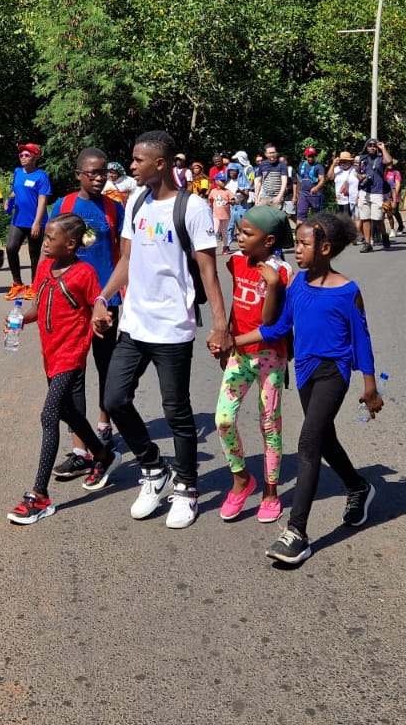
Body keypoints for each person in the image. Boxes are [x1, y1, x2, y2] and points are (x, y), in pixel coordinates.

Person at [224, 213, 382, 567]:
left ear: (325, 248)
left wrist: (370, 388)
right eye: (297, 242)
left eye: (304, 244)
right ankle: (358, 486)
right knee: (324, 439)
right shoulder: (296, 286)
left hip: (333, 374)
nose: (297, 249)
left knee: (308, 442)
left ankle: (297, 532)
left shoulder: (348, 291)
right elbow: (277, 328)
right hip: (307, 371)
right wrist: (234, 341)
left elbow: (363, 340)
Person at [92, 130, 228, 529]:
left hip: (173, 327)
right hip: (134, 323)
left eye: (138, 160)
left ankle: (187, 488)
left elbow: (209, 272)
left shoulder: (193, 208)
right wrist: (103, 298)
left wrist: (221, 327)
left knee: (176, 412)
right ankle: (154, 470)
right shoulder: (135, 201)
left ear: (161, 164)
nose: (131, 166)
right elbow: (127, 261)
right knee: (115, 400)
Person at [6, 214, 118, 525]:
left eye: (49, 239)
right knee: (68, 411)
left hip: (71, 354)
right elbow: (39, 306)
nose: (44, 243)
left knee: (50, 413)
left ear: (69, 245)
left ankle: (39, 495)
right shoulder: (44, 267)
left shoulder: (84, 273)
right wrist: (20, 320)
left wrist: (100, 317)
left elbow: (97, 304)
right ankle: (104, 455)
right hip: (50, 353)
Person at [47, 148, 125, 480]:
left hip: (105, 302)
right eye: (91, 172)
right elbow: (47, 252)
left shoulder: (115, 208)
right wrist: (41, 290)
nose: (98, 178)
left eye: (103, 172)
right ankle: (80, 449)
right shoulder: (63, 206)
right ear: (78, 174)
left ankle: (103, 425)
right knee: (73, 373)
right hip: (70, 302)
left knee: (106, 365)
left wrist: (120, 296)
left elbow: (124, 254)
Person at [212, 206, 292, 524]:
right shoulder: (235, 262)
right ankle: (242, 479)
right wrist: (226, 343)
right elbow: (235, 305)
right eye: (239, 231)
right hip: (239, 357)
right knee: (223, 420)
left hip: (270, 358)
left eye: (247, 233)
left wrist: (272, 285)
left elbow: (271, 321)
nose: (239, 237)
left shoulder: (283, 272)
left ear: (269, 240)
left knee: (269, 424)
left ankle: (271, 492)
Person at [4, 143, 51, 301]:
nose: (22, 158)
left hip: (34, 221)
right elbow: (15, 190)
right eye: (21, 155)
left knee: (34, 254)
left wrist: (37, 223)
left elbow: (42, 200)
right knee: (10, 248)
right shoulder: (17, 172)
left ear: (36, 157)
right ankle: (17, 283)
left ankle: (35, 286)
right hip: (18, 219)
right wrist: (9, 199)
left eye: (27, 155)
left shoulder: (41, 176)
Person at [355, 138, 393, 252]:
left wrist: (383, 148)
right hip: (364, 191)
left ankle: (384, 235)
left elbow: (389, 161)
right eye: (370, 145)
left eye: (374, 146)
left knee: (378, 218)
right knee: (365, 218)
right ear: (366, 147)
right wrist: (360, 177)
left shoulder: (381, 158)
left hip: (377, 192)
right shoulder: (362, 159)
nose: (372, 147)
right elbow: (357, 172)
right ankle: (368, 243)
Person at [294, 147, 326, 224]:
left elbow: (322, 180)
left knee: (317, 216)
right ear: (305, 156)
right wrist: (296, 194)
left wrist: (316, 187)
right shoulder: (301, 165)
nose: (311, 158)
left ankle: (317, 233)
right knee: (301, 214)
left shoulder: (319, 166)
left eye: (313, 156)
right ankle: (300, 232)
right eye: (309, 156)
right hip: (303, 194)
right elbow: (299, 180)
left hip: (315, 195)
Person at [252, 144, 289, 210]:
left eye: (273, 152)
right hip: (264, 196)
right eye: (270, 153)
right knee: (261, 217)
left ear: (276, 153)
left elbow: (284, 183)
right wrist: (256, 198)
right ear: (266, 154)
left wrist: (279, 196)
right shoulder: (262, 165)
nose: (272, 155)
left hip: (276, 197)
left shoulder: (282, 165)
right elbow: (259, 182)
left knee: (275, 218)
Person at [208, 174, 235, 253]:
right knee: (215, 230)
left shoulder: (227, 191)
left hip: (226, 215)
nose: (224, 182)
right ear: (216, 181)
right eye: (222, 181)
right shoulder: (213, 191)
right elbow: (210, 200)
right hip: (216, 215)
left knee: (224, 232)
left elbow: (234, 201)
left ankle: (225, 247)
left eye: (225, 181)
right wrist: (211, 206)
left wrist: (228, 201)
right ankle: (211, 247)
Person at [330, 152, 359, 217]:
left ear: (350, 161)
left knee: (347, 218)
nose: (343, 163)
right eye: (342, 161)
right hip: (340, 199)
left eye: (345, 161)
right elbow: (330, 177)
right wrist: (333, 165)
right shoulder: (337, 169)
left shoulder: (354, 170)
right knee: (342, 218)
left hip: (351, 199)